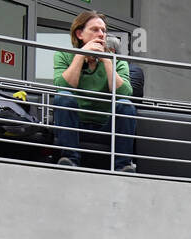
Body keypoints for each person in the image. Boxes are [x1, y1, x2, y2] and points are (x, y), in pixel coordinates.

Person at [52, 11, 137, 171]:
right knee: (64, 97)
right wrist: (81, 55)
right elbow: (63, 87)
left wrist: (106, 59)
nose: (101, 35)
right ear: (79, 33)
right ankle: (70, 162)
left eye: (103, 31)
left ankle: (123, 167)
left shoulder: (118, 62)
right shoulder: (63, 55)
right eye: (95, 30)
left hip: (105, 125)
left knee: (126, 105)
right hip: (75, 124)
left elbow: (124, 94)